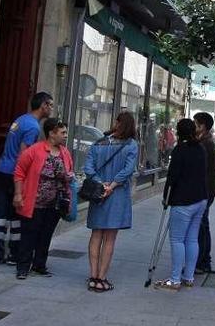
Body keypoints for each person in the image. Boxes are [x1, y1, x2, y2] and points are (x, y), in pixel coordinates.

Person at [0, 92, 53, 266]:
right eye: (50, 105)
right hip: (15, 173)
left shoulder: (20, 120)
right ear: (43, 105)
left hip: (2, 168)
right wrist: (21, 183)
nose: (51, 108)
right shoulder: (33, 127)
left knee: (0, 213)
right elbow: (24, 156)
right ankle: (14, 254)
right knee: (17, 215)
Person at [12, 118, 73, 279]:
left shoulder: (65, 153)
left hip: (55, 204)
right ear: (52, 133)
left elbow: (68, 173)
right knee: (29, 235)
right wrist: (18, 194)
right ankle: (23, 267)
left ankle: (39, 265)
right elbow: (19, 172)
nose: (65, 136)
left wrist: (69, 181)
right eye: (63, 132)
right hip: (35, 202)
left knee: (46, 235)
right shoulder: (34, 150)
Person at [85, 111, 138, 292]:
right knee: (109, 238)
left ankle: (92, 276)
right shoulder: (131, 145)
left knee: (96, 235)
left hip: (98, 194)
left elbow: (88, 167)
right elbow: (128, 169)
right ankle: (102, 277)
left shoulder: (98, 143)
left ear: (117, 122)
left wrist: (101, 184)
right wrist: (112, 185)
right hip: (117, 195)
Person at [154, 119, 209, 291]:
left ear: (179, 132)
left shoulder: (180, 150)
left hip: (183, 200)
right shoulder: (200, 148)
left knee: (177, 239)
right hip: (200, 198)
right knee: (192, 238)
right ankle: (189, 277)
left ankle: (175, 279)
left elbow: (172, 177)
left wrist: (166, 198)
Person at [193, 112, 215, 274]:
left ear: (202, 126)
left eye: (195, 124)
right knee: (203, 225)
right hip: (206, 191)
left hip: (203, 192)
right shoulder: (208, 141)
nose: (194, 127)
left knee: (201, 227)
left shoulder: (205, 143)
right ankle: (204, 260)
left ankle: (202, 261)